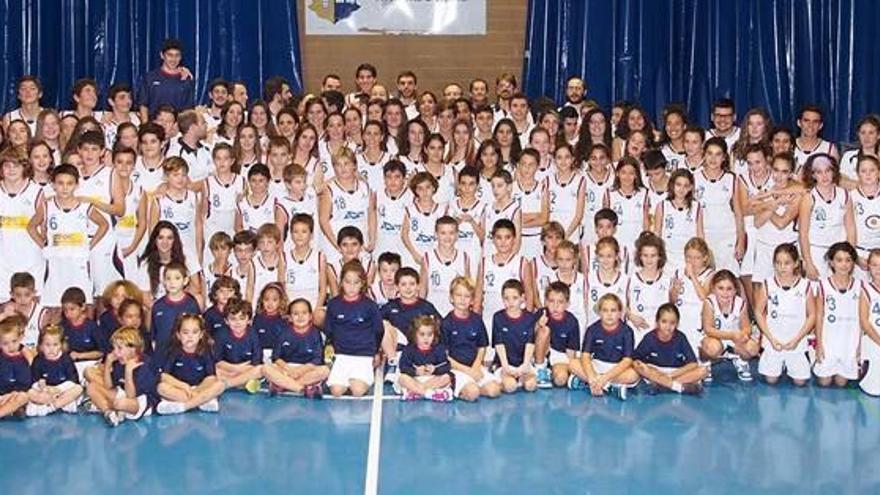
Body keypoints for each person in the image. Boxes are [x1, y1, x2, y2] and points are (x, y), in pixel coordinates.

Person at [29, 164, 109, 308]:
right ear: (53, 184)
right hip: (56, 263)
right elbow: (31, 226)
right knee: (54, 306)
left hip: (78, 262)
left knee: (83, 304)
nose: (65, 188)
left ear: (76, 185)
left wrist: (90, 246)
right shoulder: (47, 206)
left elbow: (104, 224)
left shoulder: (85, 206)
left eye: (69, 183)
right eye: (60, 183)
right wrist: (43, 245)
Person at [754, 243, 815, 386]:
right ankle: (779, 364)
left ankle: (797, 361)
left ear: (795, 264)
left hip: (796, 341)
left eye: (787, 263)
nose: (782, 267)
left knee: (800, 382)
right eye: (778, 263)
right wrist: (770, 338)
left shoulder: (805, 285)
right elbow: (758, 311)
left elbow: (812, 315)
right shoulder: (768, 284)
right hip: (774, 341)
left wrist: (797, 339)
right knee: (771, 380)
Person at [324, 260, 383, 397]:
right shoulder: (333, 304)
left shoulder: (370, 305)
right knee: (336, 391)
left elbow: (378, 331)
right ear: (341, 282)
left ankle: (364, 375)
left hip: (363, 355)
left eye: (356, 283)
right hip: (341, 355)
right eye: (347, 282)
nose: (351, 287)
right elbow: (329, 330)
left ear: (362, 283)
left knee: (357, 391)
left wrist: (376, 352)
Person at [441, 276, 501, 401]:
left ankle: (474, 386)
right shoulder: (446, 323)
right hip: (456, 369)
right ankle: (453, 388)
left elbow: (482, 347)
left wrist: (476, 367)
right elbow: (445, 357)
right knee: (472, 393)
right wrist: (468, 371)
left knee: (494, 390)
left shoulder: (476, 320)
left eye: (467, 296)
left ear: (472, 300)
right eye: (459, 295)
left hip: (475, 366)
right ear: (451, 298)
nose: (462, 299)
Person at [86, 326, 158, 427]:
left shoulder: (145, 364)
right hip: (124, 393)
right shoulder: (119, 361)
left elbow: (131, 396)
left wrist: (128, 371)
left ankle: (106, 405)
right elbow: (108, 386)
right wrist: (108, 365)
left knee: (120, 403)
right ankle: (108, 413)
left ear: (133, 349)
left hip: (140, 401)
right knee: (91, 387)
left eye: (119, 348)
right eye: (114, 348)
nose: (115, 352)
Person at [156, 314, 225, 414]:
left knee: (220, 385)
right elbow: (164, 376)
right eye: (185, 332)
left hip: (200, 388)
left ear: (201, 334)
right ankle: (202, 402)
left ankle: (183, 406)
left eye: (195, 332)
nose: (190, 336)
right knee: (161, 387)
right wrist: (183, 386)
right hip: (181, 390)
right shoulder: (173, 351)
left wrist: (196, 391)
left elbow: (211, 377)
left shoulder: (206, 351)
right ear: (178, 335)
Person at [813, 242, 861, 387]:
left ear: (853, 263)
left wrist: (859, 347)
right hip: (829, 339)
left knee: (841, 383)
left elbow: (863, 319)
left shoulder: (860, 286)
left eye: (848, 260)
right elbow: (819, 316)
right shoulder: (823, 285)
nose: (844, 264)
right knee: (824, 382)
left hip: (849, 339)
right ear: (831, 262)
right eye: (839, 260)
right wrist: (819, 345)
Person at [631, 303, 707, 394]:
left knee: (703, 371)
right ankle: (677, 386)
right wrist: (642, 366)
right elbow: (635, 359)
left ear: (677, 324)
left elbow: (693, 363)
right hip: (656, 371)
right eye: (664, 321)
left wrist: (671, 375)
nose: (668, 326)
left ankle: (663, 385)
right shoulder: (649, 338)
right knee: (637, 366)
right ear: (657, 322)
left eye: (672, 323)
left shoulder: (680, 337)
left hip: (675, 372)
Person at [576, 293, 639, 400]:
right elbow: (585, 355)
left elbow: (627, 360)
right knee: (573, 363)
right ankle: (609, 386)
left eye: (613, 310)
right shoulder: (592, 329)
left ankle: (595, 383)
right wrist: (591, 377)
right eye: (605, 310)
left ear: (620, 313)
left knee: (634, 375)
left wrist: (605, 378)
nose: (609, 314)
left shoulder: (627, 331)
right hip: (597, 365)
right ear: (599, 312)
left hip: (617, 369)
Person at [700, 270, 759, 382]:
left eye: (729, 289)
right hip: (715, 338)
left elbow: (746, 327)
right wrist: (731, 335)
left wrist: (744, 335)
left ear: (735, 290)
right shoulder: (709, 302)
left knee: (753, 348)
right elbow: (708, 329)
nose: (725, 293)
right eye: (720, 288)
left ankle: (741, 361)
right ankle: (705, 363)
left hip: (734, 339)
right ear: (713, 289)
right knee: (712, 348)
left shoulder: (740, 302)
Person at [263, 298, 329, 397]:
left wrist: (300, 370)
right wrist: (289, 369)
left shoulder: (315, 333)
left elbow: (317, 359)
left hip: (306, 369)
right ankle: (301, 389)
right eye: (296, 314)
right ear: (290, 318)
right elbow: (276, 357)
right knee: (265, 368)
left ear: (310, 316)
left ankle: (283, 385)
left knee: (324, 371)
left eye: (304, 313)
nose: (300, 317)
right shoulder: (284, 332)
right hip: (287, 369)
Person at [534, 282, 584, 388]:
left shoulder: (572, 321)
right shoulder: (541, 313)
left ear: (567, 304)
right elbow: (528, 339)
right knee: (544, 330)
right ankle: (540, 369)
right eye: (551, 301)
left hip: (559, 355)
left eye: (560, 302)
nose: (555, 306)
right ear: (546, 302)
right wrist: (538, 325)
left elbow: (571, 353)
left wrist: (571, 369)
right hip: (539, 353)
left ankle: (551, 373)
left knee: (561, 379)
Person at [492, 280, 538, 393]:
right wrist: (506, 367)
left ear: (522, 298)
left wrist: (525, 365)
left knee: (531, 386)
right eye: (506, 298)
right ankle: (504, 380)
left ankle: (520, 378)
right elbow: (499, 344)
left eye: (515, 298)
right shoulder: (498, 317)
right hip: (505, 364)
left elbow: (530, 343)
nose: (510, 302)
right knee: (510, 387)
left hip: (523, 364)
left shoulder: (529, 318)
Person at [26, 325, 82, 416]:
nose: (51, 349)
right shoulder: (38, 360)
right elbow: (32, 382)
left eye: (55, 345)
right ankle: (58, 404)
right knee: (29, 393)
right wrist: (42, 387)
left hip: (62, 391)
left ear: (61, 345)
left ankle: (52, 407)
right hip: (45, 392)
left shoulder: (66, 360)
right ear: (41, 345)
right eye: (47, 345)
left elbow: (74, 381)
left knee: (78, 389)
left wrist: (57, 389)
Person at [150, 261, 201, 356]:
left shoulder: (191, 304)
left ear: (185, 281)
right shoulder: (158, 306)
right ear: (163, 281)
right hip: (163, 355)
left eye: (177, 278)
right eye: (168, 278)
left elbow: (197, 331)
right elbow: (154, 335)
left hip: (184, 356)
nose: (172, 282)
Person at [398, 315, 454, 401]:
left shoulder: (439, 348)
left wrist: (435, 369)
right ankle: (429, 394)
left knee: (447, 377)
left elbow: (447, 366)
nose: (426, 338)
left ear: (434, 335)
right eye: (422, 334)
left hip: (432, 380)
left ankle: (417, 392)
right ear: (415, 334)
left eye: (430, 335)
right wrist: (415, 371)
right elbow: (403, 367)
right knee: (402, 378)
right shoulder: (409, 349)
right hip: (415, 379)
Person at [213, 298, 264, 392]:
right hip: (228, 368)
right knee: (214, 371)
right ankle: (240, 382)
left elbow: (257, 360)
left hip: (246, 369)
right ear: (226, 321)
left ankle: (230, 383)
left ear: (249, 320)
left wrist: (242, 370)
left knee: (260, 370)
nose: (238, 322)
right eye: (233, 319)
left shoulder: (253, 333)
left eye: (242, 318)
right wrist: (236, 369)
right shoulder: (221, 334)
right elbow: (217, 360)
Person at [137, 39, 194, 121]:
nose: (173, 59)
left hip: (176, 129)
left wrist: (178, 127)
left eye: (177, 55)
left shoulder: (186, 78)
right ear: (162, 55)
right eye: (170, 55)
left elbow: (188, 110)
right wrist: (146, 126)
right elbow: (143, 104)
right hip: (153, 127)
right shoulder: (150, 77)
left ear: (181, 57)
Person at [0, 316, 31, 418]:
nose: (11, 346)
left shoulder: (25, 356)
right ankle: (12, 409)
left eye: (14, 341)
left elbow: (27, 381)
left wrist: (12, 394)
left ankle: (4, 412)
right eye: (5, 343)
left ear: (20, 338)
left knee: (24, 397)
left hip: (16, 394)